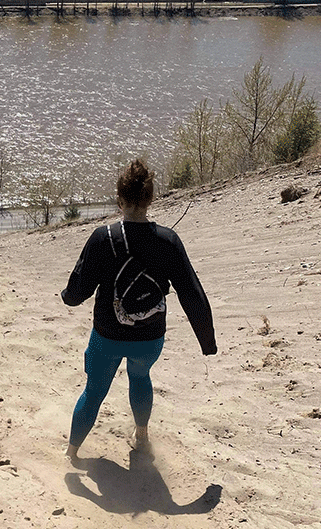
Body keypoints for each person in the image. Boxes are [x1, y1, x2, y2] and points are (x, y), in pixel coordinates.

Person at [61, 159, 216, 463]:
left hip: (107, 334)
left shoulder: (103, 238)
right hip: (150, 336)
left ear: (119, 201)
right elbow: (192, 292)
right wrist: (207, 342)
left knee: (94, 392)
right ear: (150, 199)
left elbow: (79, 291)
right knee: (140, 377)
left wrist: (68, 297)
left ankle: (72, 454)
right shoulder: (169, 240)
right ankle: (142, 434)